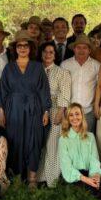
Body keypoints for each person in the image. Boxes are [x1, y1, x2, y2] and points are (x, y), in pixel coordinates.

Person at [0, 31, 51, 183]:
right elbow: (3, 90)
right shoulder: (9, 68)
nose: (22, 48)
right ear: (15, 48)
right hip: (13, 109)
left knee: (33, 141)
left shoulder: (38, 67)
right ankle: (17, 180)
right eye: (19, 45)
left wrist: (46, 111)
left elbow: (43, 89)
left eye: (25, 45)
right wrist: (1, 112)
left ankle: (33, 180)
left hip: (34, 108)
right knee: (15, 141)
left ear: (30, 48)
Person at [58, 103, 101, 200]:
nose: (75, 118)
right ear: (68, 119)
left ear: (82, 116)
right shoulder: (64, 139)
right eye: (71, 115)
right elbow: (66, 167)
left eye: (77, 114)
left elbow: (94, 159)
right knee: (83, 188)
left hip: (89, 172)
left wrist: (95, 175)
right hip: (72, 176)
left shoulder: (90, 136)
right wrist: (85, 179)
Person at [38, 41, 71, 186]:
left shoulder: (62, 72)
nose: (48, 54)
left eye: (51, 52)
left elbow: (65, 94)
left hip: (55, 110)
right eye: (45, 51)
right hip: (37, 111)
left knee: (52, 145)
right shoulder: (35, 70)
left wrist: (61, 112)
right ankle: (39, 177)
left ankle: (52, 180)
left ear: (55, 55)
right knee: (39, 145)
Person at [61, 34, 101, 133]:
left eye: (84, 48)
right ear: (74, 49)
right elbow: (61, 89)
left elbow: (99, 88)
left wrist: (96, 106)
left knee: (88, 141)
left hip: (88, 112)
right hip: (69, 112)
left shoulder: (97, 66)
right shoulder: (65, 65)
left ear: (89, 50)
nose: (81, 50)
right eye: (78, 47)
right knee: (70, 140)